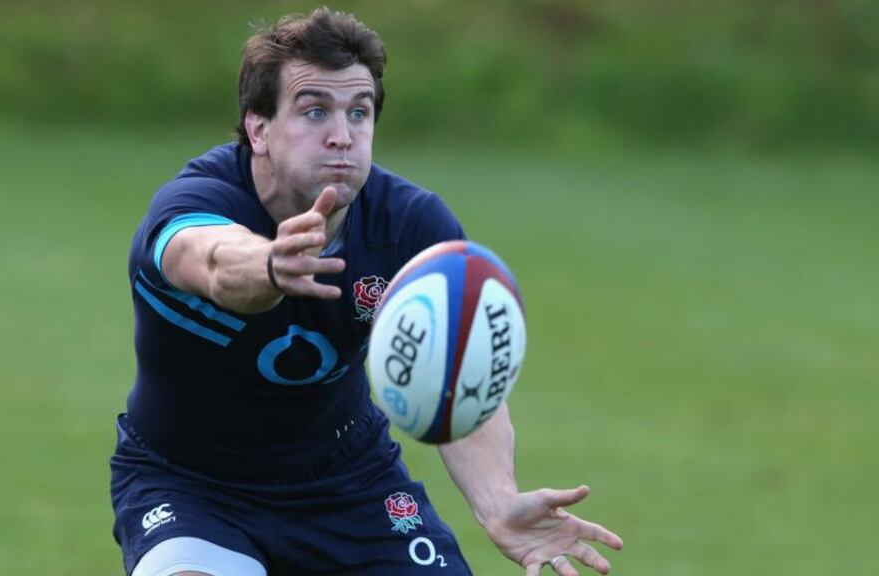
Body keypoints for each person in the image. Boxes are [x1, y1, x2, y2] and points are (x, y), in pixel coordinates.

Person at [110, 7, 623, 576]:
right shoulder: (195, 203)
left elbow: (457, 374)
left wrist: (498, 500)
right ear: (258, 129)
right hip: (191, 486)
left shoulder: (413, 229)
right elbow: (210, 259)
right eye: (314, 111)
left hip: (348, 484)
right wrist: (271, 264)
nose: (342, 135)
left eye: (359, 112)